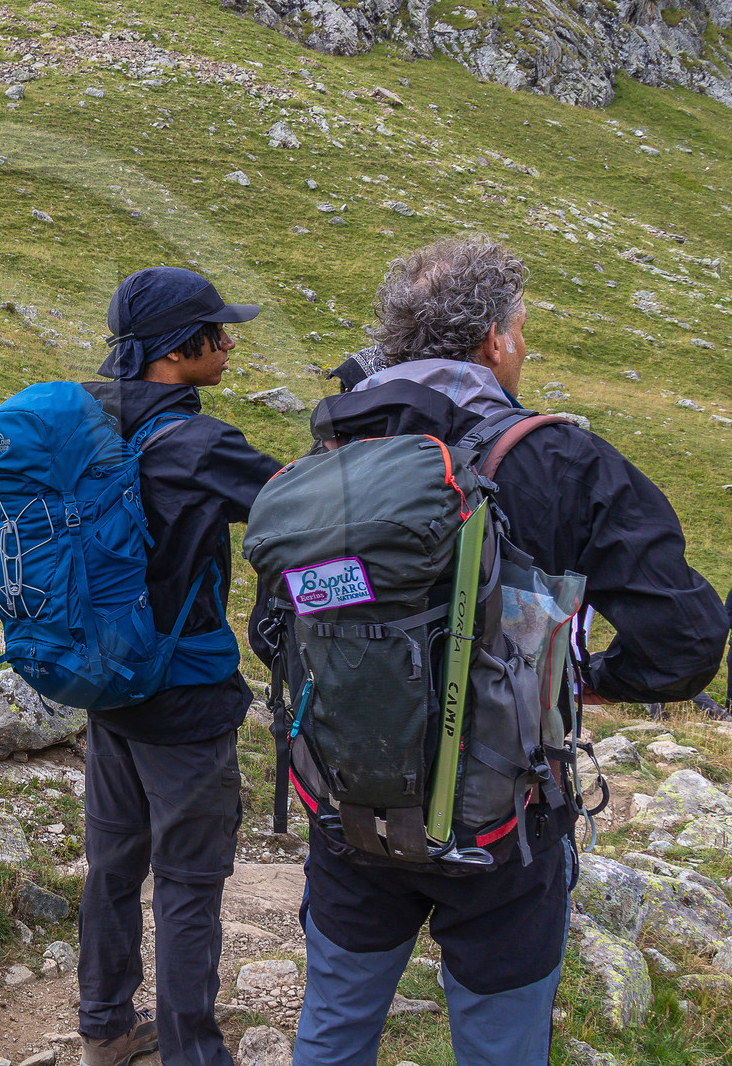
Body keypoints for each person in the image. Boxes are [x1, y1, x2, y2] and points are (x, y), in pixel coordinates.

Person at [253, 236, 728, 1066]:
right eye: (520, 328)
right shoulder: (557, 459)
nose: (523, 345)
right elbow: (685, 640)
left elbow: (272, 628)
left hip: (348, 813)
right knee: (501, 1046)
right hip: (504, 828)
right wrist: (596, 681)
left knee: (333, 1028)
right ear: (493, 343)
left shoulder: (327, 459)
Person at [73, 267, 282, 1066]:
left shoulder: (89, 422)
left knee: (113, 865)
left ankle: (105, 1029)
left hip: (106, 683)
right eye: (217, 332)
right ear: (176, 348)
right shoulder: (199, 442)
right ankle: (195, 1054)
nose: (228, 343)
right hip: (186, 696)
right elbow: (292, 503)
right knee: (190, 883)